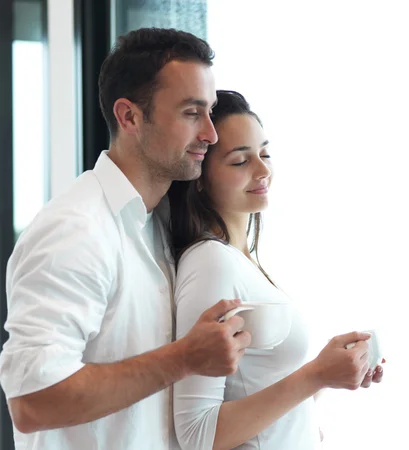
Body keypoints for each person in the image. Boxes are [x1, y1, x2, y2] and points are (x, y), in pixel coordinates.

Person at [0, 28, 250, 450]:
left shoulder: (163, 224)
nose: (210, 133)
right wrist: (185, 358)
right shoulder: (75, 229)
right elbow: (32, 402)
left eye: (209, 112)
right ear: (129, 116)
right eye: (192, 113)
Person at [168, 90, 385, 450]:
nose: (263, 170)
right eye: (240, 162)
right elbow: (196, 434)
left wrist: (334, 373)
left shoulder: (242, 260)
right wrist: (315, 375)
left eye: (265, 154)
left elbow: (264, 393)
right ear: (201, 177)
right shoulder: (211, 262)